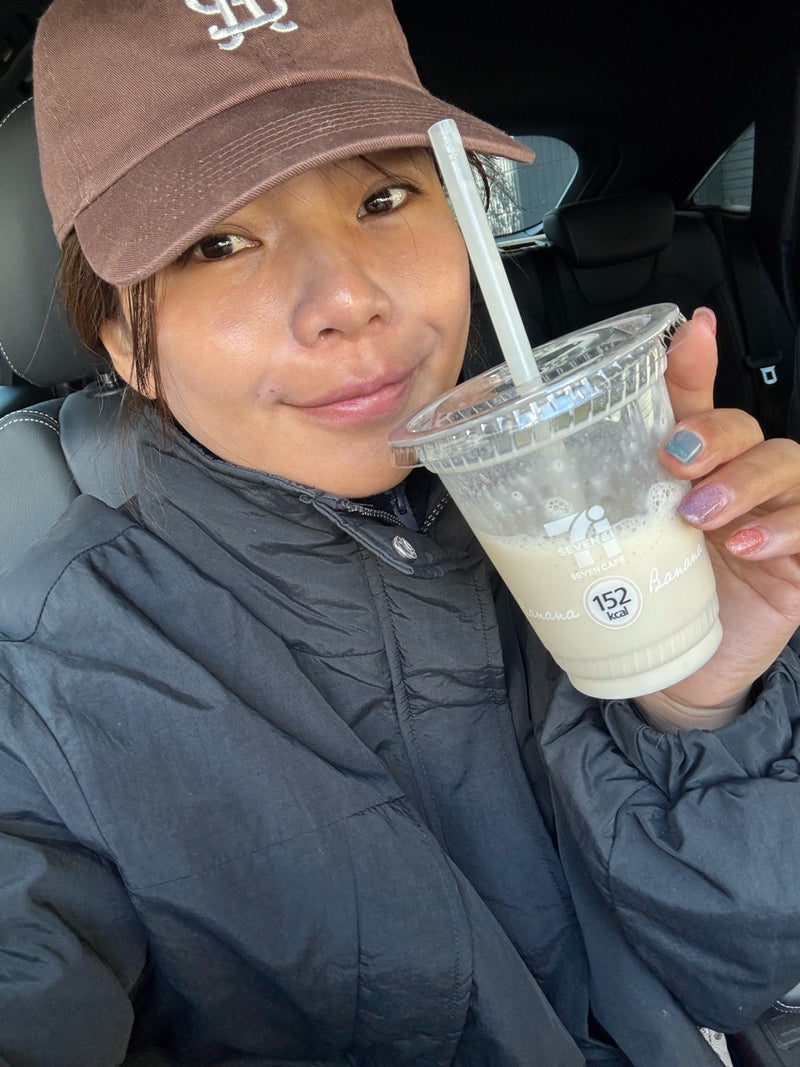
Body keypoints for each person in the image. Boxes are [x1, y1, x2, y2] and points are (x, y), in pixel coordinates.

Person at [2, 1, 800, 1064]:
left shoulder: (607, 499)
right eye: (218, 242)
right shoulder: (44, 684)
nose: (345, 298)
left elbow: (742, 972)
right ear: (123, 341)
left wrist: (700, 704)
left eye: (383, 196)